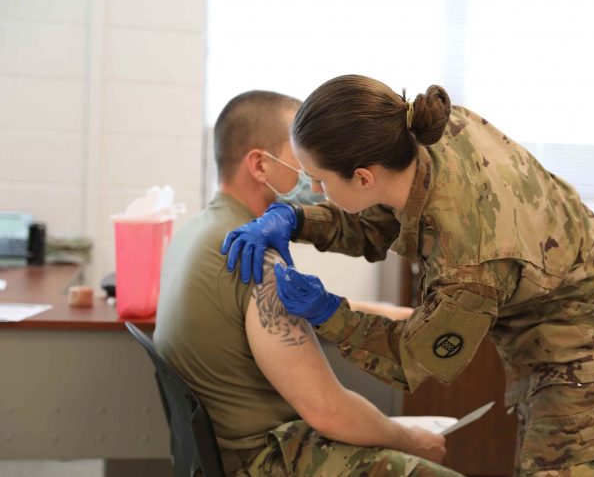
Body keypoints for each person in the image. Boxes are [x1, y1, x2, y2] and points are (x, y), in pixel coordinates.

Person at [221, 75, 594, 476]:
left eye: (319, 181)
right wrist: (298, 220)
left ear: (363, 176)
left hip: (593, 344)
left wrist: (329, 313)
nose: (315, 191)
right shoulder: (422, 133)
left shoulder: (469, 264)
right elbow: (381, 222)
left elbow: (413, 357)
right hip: (555, 321)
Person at [153, 90, 459, 476]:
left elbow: (250, 314)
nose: (312, 171)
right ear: (260, 165)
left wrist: (379, 312)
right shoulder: (256, 258)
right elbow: (328, 411)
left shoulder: (196, 233)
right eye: (299, 153)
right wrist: (413, 440)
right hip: (266, 461)